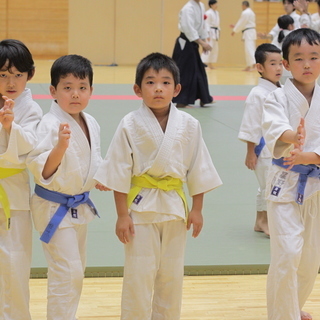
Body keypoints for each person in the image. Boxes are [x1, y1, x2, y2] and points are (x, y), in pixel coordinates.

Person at [94, 52, 222, 319]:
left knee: (171, 277)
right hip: (140, 210)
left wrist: (197, 209)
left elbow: (199, 168)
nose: (158, 89)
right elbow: (119, 171)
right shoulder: (129, 124)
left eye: (165, 82)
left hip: (175, 209)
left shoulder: (189, 124)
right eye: (150, 82)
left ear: (176, 89)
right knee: (138, 277)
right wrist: (121, 215)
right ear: (138, 89)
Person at [26, 54, 104, 320]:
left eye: (82, 88)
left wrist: (102, 177)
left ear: (91, 91)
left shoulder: (90, 122)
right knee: (66, 272)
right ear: (53, 91)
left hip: (78, 206)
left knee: (76, 271)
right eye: (67, 87)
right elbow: (43, 171)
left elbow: (94, 161)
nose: (75, 94)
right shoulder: (49, 124)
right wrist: (60, 146)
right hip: (52, 207)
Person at [262, 28, 320, 320]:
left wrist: (308, 154)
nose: (307, 64)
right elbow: (275, 129)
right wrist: (292, 136)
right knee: (287, 253)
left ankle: (291, 307)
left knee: (310, 260)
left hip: (317, 186)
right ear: (285, 64)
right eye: (298, 58)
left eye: (314, 57)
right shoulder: (277, 98)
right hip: (284, 185)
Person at [0, 39, 42, 320]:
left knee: (13, 266)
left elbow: (29, 149)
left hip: (12, 198)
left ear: (30, 75)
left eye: (18, 74)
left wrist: (9, 126)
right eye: (2, 74)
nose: (10, 82)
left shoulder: (31, 110)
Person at [238, 43, 283, 237]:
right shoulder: (258, 94)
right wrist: (250, 152)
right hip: (263, 148)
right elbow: (251, 125)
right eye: (273, 64)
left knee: (266, 184)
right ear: (260, 68)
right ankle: (266, 222)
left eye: (281, 63)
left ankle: (259, 220)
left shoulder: (278, 89)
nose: (278, 68)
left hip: (276, 146)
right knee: (270, 185)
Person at [172, 0, 214, 108]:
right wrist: (201, 43)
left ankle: (204, 98)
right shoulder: (188, 8)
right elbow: (188, 28)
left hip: (194, 42)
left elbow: (202, 26)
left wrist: (204, 41)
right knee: (185, 72)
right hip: (185, 43)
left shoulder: (200, 6)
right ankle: (181, 101)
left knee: (198, 70)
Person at [230, 1, 257, 72]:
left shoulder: (246, 12)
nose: (241, 7)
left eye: (242, 6)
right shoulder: (250, 12)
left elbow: (241, 23)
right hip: (249, 32)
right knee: (248, 49)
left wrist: (234, 30)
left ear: (244, 5)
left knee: (249, 49)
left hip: (249, 32)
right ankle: (248, 66)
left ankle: (254, 65)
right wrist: (236, 26)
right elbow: (244, 23)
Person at [201, 0, 220, 69]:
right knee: (208, 47)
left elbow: (217, 24)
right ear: (211, 5)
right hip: (210, 32)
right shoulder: (208, 13)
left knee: (214, 49)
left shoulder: (217, 13)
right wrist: (207, 34)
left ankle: (210, 63)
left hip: (215, 32)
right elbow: (206, 24)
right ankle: (203, 63)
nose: (217, 5)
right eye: (215, 4)